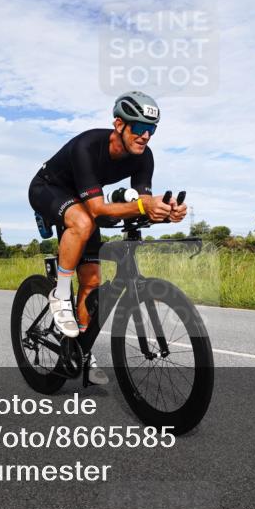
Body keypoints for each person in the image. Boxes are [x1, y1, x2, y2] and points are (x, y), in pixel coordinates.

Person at [28, 91, 187, 382]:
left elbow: (140, 205)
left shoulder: (143, 157)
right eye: (139, 128)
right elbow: (98, 208)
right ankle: (60, 293)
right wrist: (142, 205)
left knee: (91, 282)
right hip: (48, 189)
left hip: (84, 199)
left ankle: (79, 353)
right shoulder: (88, 146)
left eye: (151, 130)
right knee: (83, 221)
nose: (145, 136)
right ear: (118, 124)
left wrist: (165, 212)